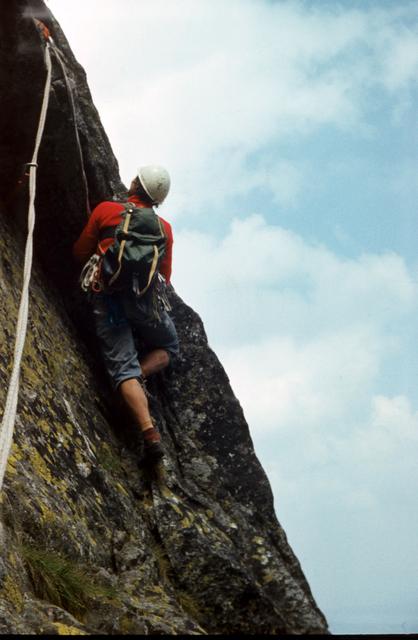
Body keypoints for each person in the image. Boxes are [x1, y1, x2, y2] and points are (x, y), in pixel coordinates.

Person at [73, 165, 179, 463]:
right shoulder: (164, 229)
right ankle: (141, 374)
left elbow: (80, 252)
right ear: (159, 198)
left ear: (134, 184)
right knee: (169, 347)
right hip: (144, 303)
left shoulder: (106, 210)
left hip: (108, 301)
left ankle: (149, 431)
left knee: (123, 368)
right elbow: (164, 277)